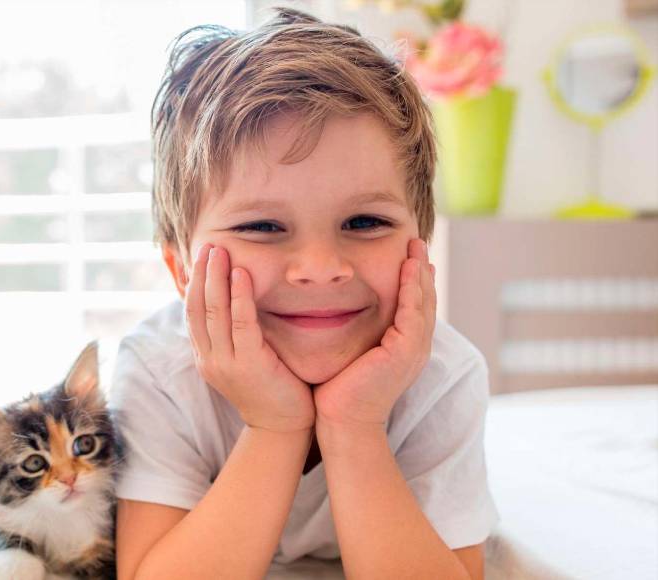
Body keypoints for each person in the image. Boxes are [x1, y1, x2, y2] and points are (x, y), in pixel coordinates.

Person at [107, 7, 499, 579]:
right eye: (262, 227)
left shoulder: (443, 375)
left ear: (421, 246)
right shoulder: (160, 370)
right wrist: (275, 425)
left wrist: (355, 424)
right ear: (181, 270)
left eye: (365, 222)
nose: (320, 269)